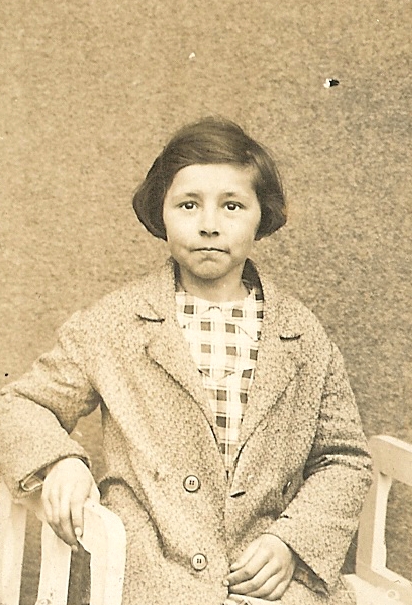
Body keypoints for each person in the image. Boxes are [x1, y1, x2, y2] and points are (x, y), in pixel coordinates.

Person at [0, 117, 372, 605]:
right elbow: (21, 403)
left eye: (232, 205)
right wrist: (61, 461)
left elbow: (344, 459)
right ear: (162, 212)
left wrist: (291, 542)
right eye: (189, 204)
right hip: (154, 574)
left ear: (262, 215)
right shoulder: (115, 323)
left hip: (269, 580)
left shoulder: (302, 336)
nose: (209, 224)